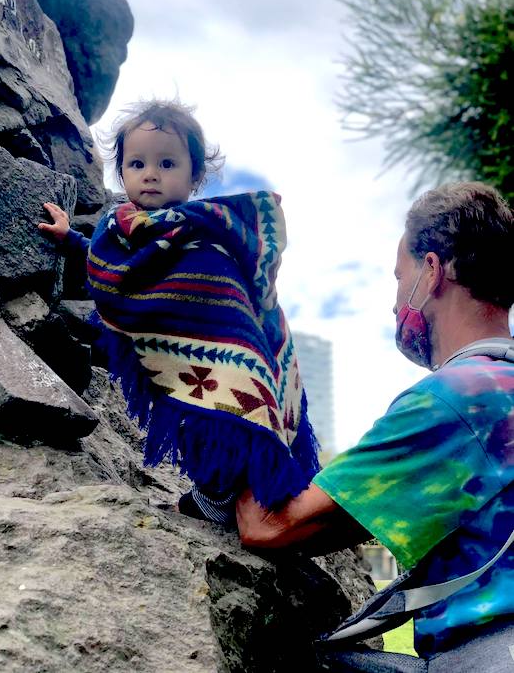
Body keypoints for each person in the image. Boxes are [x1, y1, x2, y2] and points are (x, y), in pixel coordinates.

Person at [236, 181, 514, 671]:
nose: (394, 304)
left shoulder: (457, 399)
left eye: (397, 276)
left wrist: (231, 405)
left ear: (431, 272)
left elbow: (270, 527)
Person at [39, 99, 320, 526]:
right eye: (136, 163)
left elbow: (229, 298)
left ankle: (221, 495)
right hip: (171, 354)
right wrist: (70, 239)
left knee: (223, 417)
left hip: (228, 353)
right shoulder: (119, 231)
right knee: (191, 418)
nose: (150, 173)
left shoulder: (204, 231)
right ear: (122, 173)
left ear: (193, 177)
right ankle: (217, 490)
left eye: (167, 162)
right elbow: (111, 269)